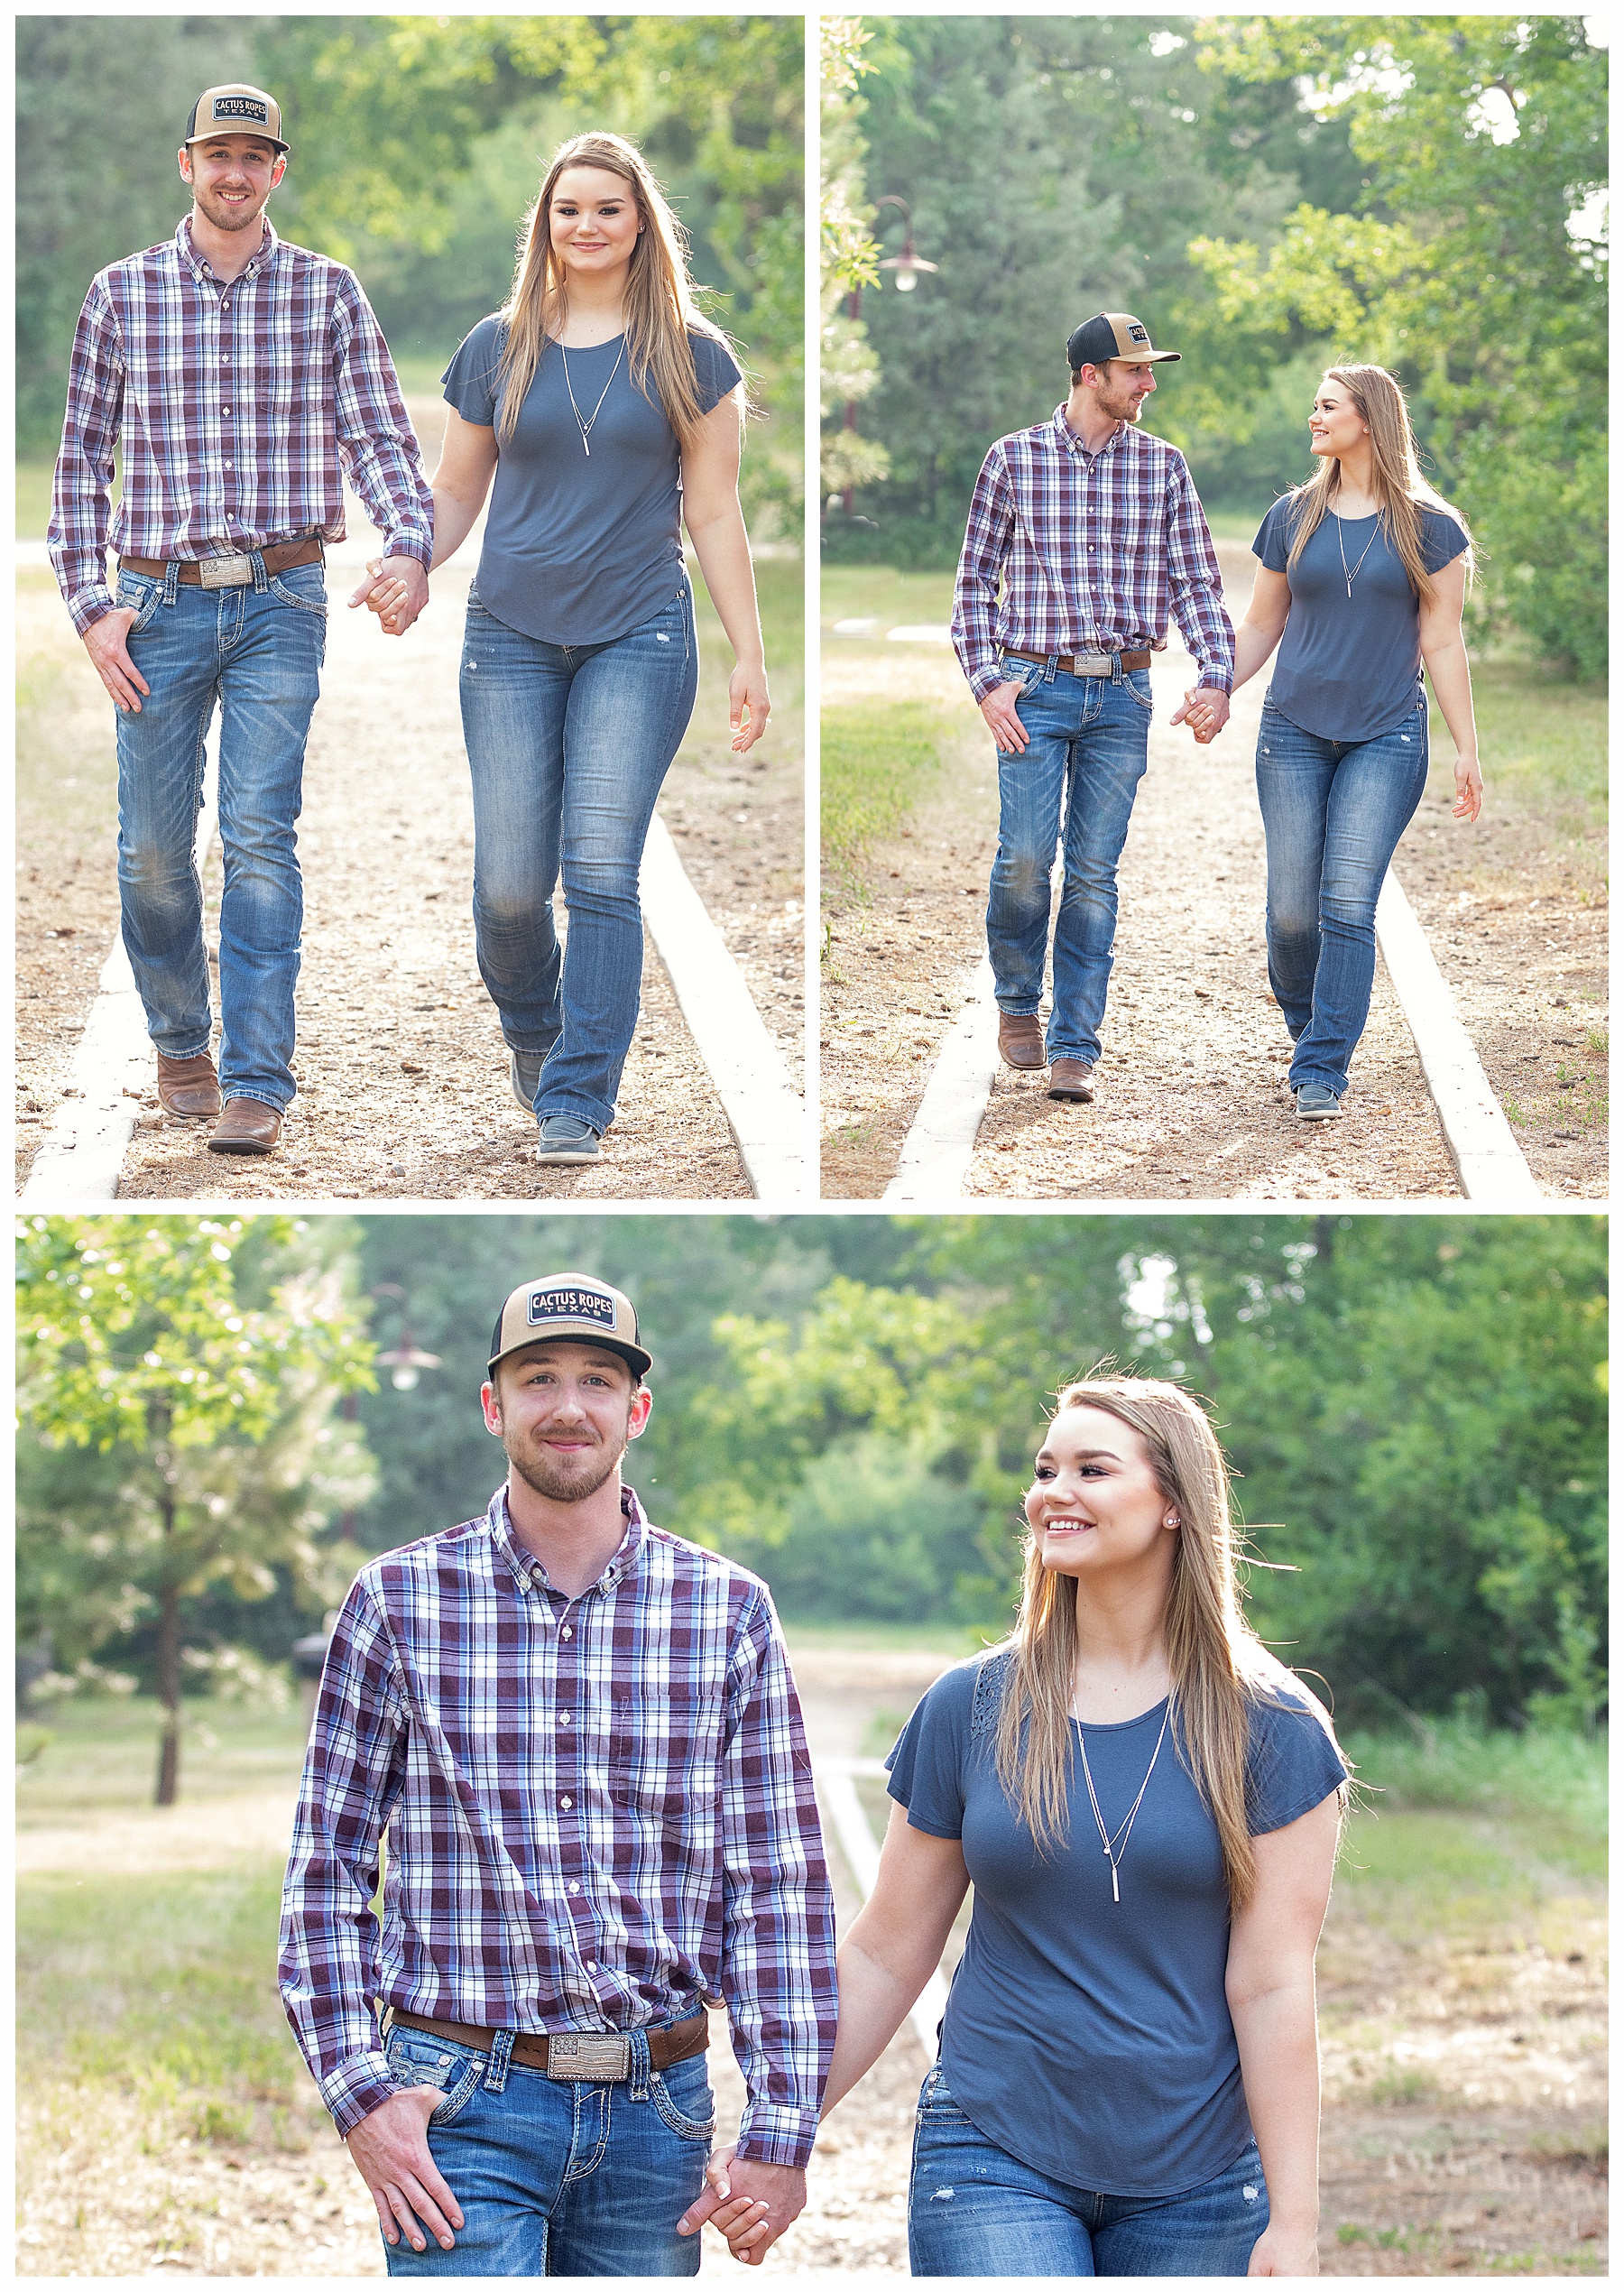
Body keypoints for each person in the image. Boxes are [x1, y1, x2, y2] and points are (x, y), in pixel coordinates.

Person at [700, 1372, 1348, 2275]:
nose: (1055, 1491)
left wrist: (1296, 2218)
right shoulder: (972, 1705)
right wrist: (781, 2137)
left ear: (1173, 1503)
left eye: (1092, 1467)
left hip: (1201, 2173)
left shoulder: (1273, 1728)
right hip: (994, 2148)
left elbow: (1273, 1984)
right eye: (1046, 1469)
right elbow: (888, 1949)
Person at [278, 1271, 836, 2275]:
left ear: (638, 1409)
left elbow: (779, 1886)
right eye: (538, 1378)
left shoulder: (730, 1610)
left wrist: (782, 2124)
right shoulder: (398, 1600)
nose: (568, 1405)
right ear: (495, 1404)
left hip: (657, 2110)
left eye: (596, 1379)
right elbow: (325, 1871)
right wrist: (361, 2094)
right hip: (457, 2099)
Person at [357, 132, 771, 1167]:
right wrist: (411, 561)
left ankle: (579, 1096)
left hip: (640, 626)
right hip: (510, 632)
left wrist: (749, 654)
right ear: (543, 223)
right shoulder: (497, 345)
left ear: (642, 226)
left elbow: (715, 515)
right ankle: (539, 1035)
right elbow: (456, 490)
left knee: (599, 871)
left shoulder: (694, 354)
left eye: (607, 209)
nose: (585, 226)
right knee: (507, 887)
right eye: (567, 209)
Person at [47, 84, 434, 1157]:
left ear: (278, 168)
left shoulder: (328, 292)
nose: (233, 171)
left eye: (252, 155)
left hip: (281, 596)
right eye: (216, 153)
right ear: (187, 165)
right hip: (155, 602)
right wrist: (92, 608)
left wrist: (408, 541)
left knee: (261, 836)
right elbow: (80, 462)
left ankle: (259, 1078)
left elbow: (381, 437)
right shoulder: (119, 294)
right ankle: (181, 1041)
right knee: (155, 855)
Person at [1182, 364, 1482, 1121]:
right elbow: (1260, 623)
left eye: (1326, 407)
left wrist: (1466, 748)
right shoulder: (1293, 516)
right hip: (1293, 730)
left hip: (1387, 732)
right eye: (1314, 407)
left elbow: (1442, 643)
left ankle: (1321, 1066)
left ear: (1369, 420)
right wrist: (1218, 686)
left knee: (1346, 903)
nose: (1312, 419)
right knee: (1291, 912)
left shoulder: (1432, 529)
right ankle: (1309, 1027)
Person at [951, 314, 1236, 1105]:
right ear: (1089, 375)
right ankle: (1016, 1003)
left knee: (1093, 876)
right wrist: (987, 681)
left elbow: (1199, 585)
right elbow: (975, 583)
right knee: (1026, 859)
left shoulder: (1164, 468)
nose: (1149, 383)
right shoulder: (1013, 460)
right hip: (1031, 690)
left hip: (1123, 694)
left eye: (1150, 371)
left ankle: (1076, 1042)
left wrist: (1216, 674)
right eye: (1135, 370)